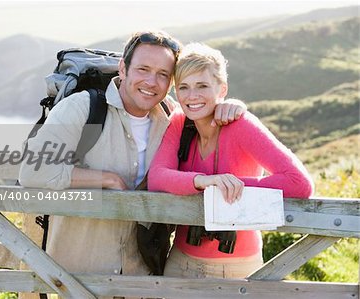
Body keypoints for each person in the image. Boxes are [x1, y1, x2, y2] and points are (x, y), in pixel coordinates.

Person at [18, 31, 246, 296]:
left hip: (143, 280)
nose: (152, 81)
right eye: (143, 69)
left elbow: (207, 114)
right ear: (123, 68)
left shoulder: (173, 117)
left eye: (163, 74)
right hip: (77, 278)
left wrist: (229, 106)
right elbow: (32, 171)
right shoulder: (82, 108)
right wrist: (106, 179)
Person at [148, 43, 314, 279]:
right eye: (183, 87)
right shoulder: (179, 121)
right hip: (180, 261)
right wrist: (206, 181)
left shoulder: (240, 125)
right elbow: (157, 178)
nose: (192, 96)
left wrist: (233, 185)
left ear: (222, 89)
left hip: (236, 267)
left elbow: (299, 183)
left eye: (202, 86)